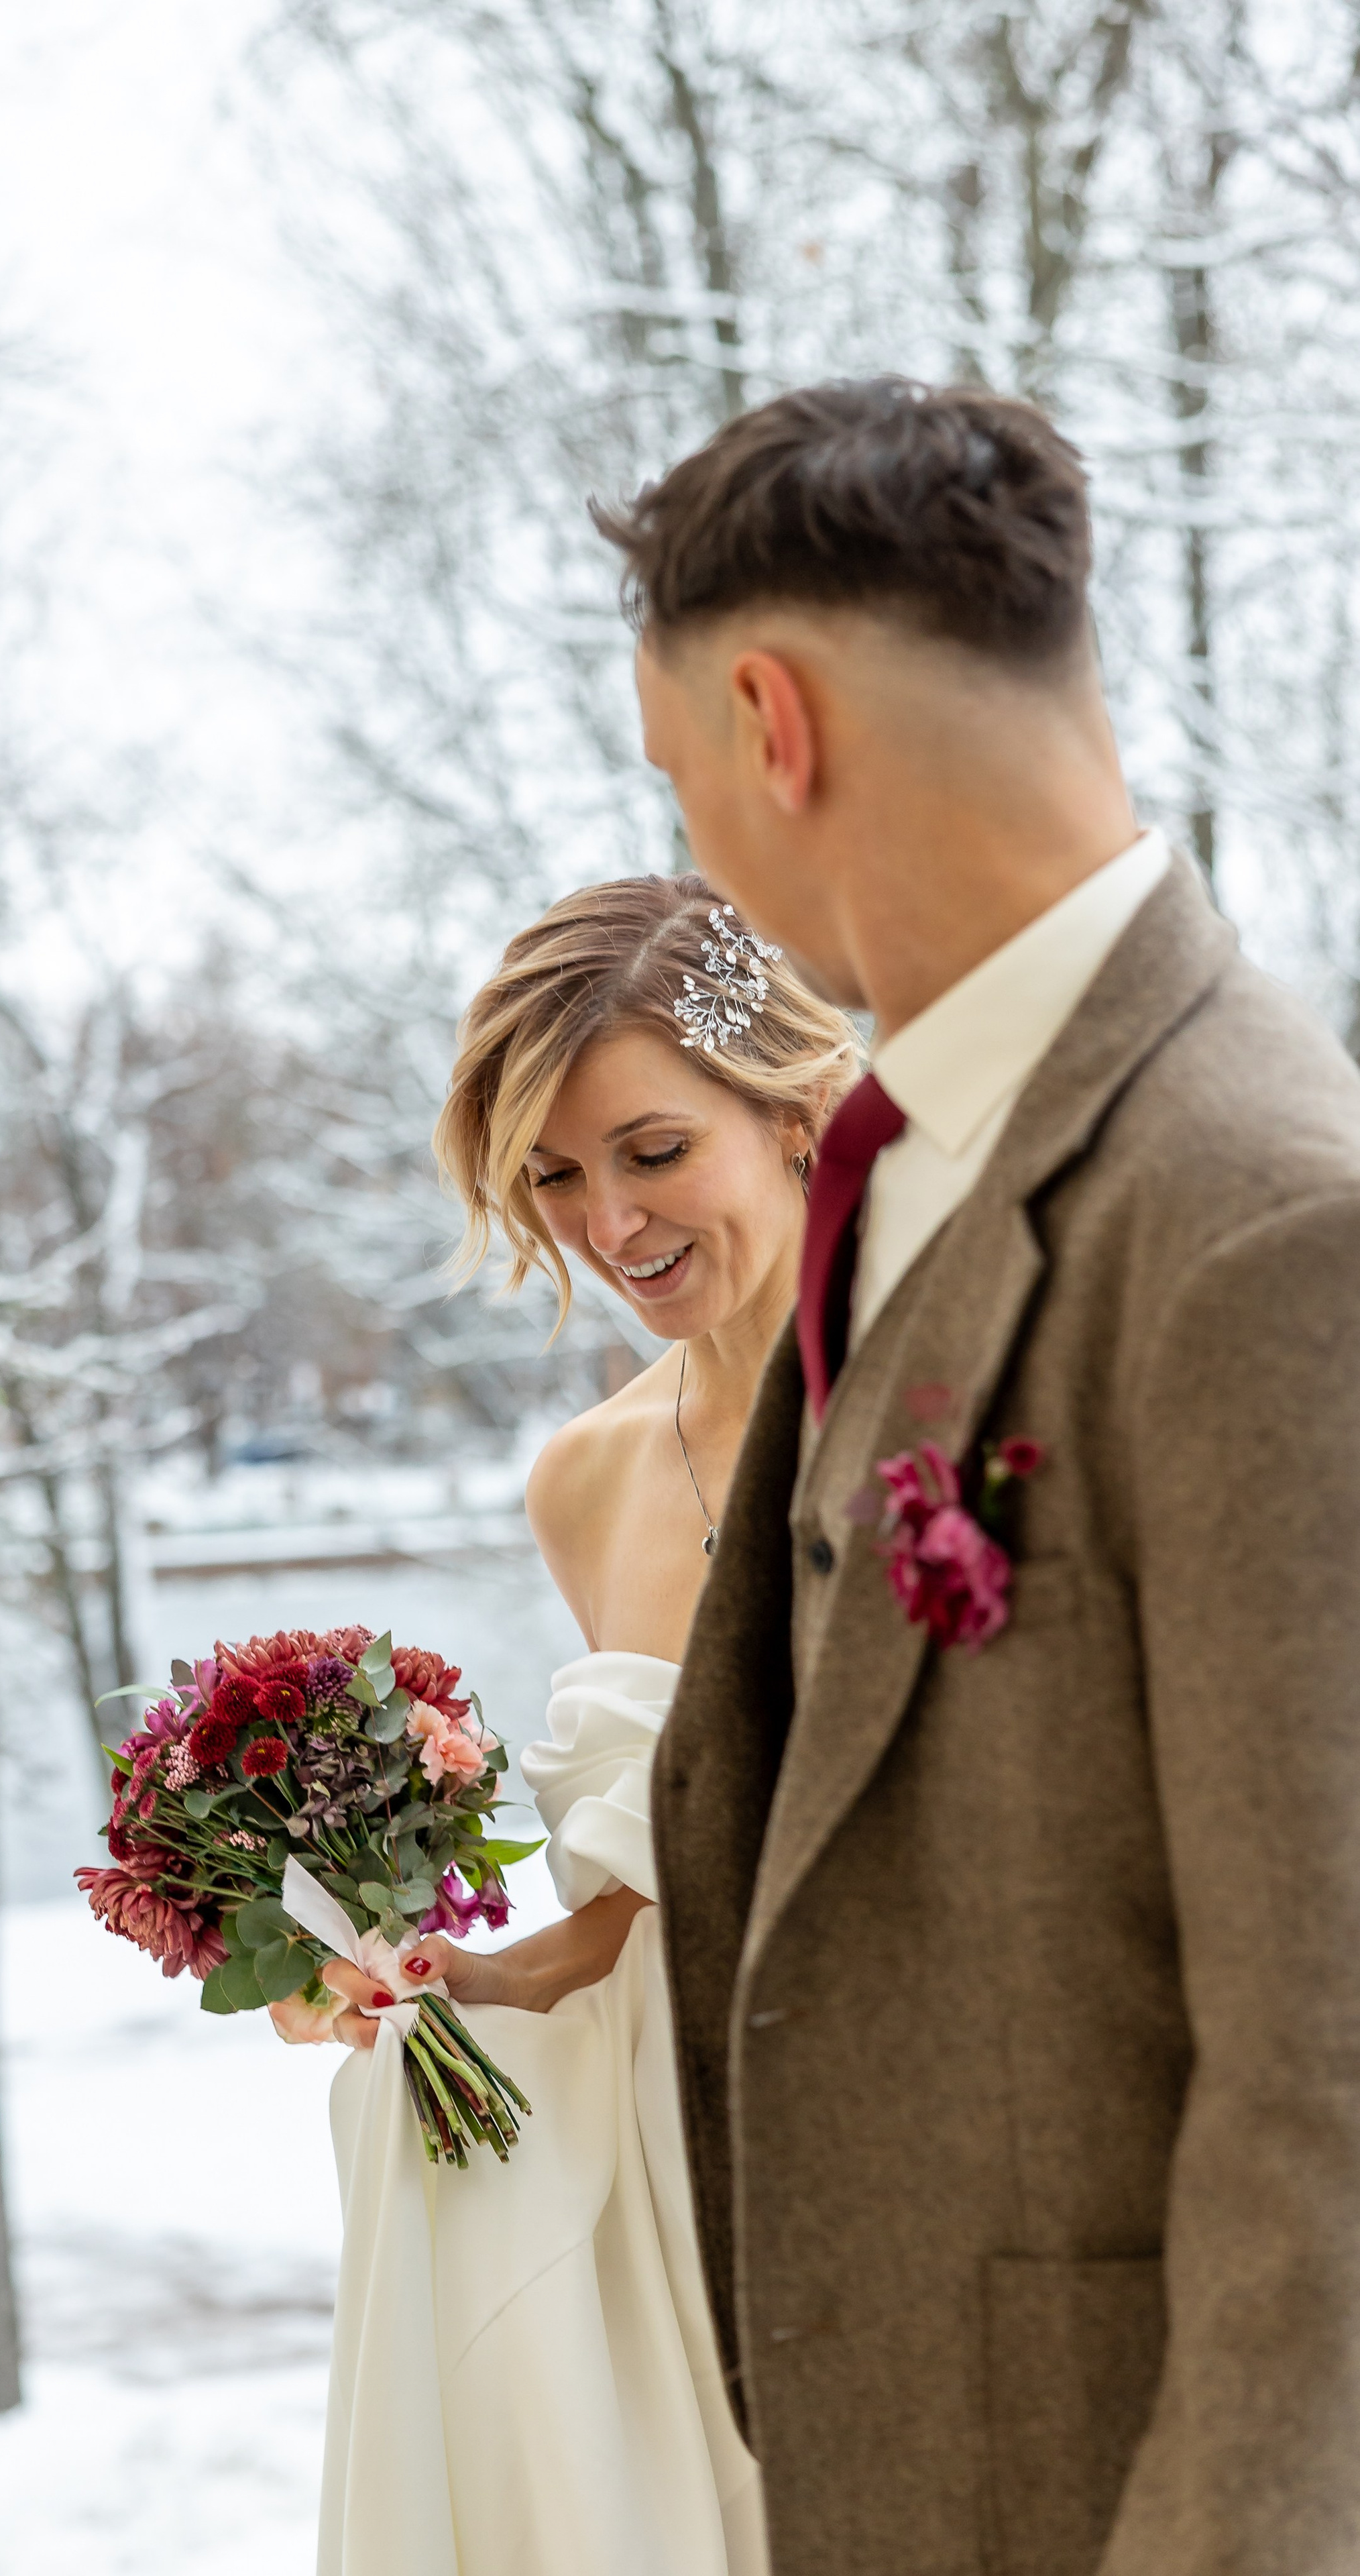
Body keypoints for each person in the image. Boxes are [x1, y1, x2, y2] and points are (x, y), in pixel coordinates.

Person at [587, 375, 1360, 2574]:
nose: (691, 857)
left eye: (677, 785)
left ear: (774, 721)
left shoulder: (1266, 1222)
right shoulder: (907, 1157)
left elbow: (1334, 2078)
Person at [275, 871, 856, 2576]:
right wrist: (472, 1981)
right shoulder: (583, 1479)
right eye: (552, 1178)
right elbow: (642, 1900)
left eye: (652, 1150)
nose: (609, 1225)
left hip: (908, 2148)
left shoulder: (948, 1381)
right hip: (673, 2187)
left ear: (789, 1106)